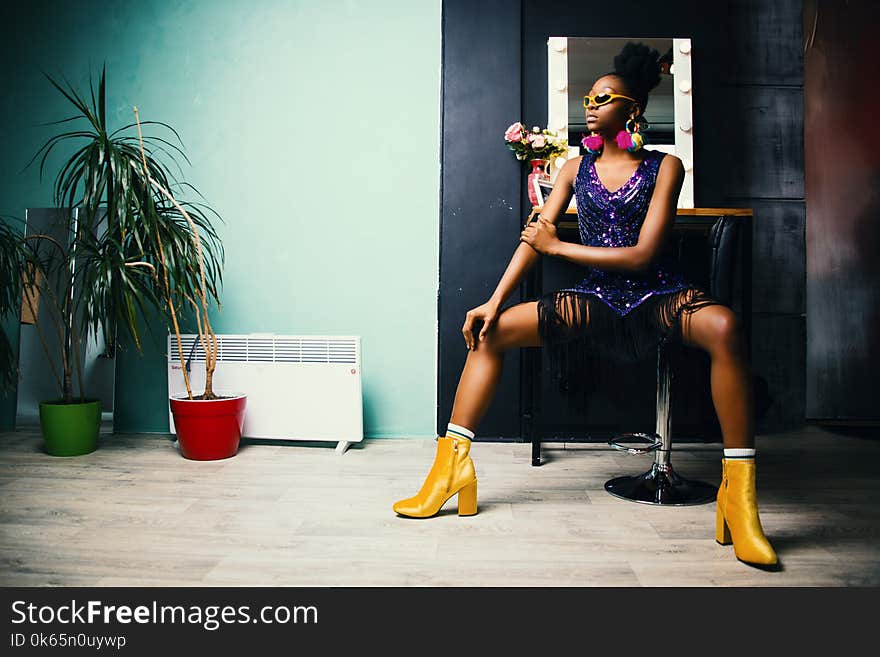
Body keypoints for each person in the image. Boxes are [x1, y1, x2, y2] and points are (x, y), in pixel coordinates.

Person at [392, 42, 777, 570]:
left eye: (603, 97)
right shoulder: (575, 167)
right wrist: (492, 300)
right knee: (491, 331)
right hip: (595, 298)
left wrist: (559, 247)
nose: (590, 105)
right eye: (588, 98)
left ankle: (740, 500)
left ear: (631, 108)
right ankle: (450, 471)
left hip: (657, 296)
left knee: (725, 326)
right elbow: (534, 239)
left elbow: (642, 255)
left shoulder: (668, 166)